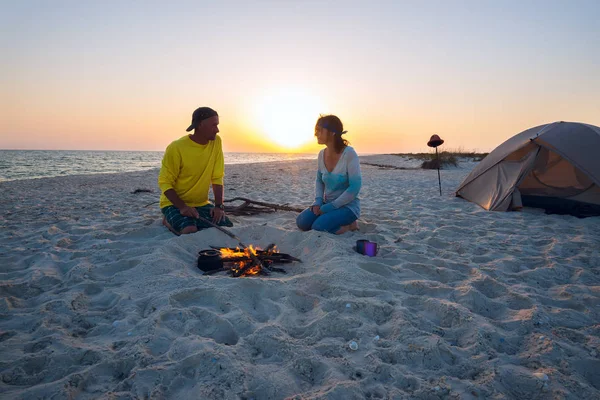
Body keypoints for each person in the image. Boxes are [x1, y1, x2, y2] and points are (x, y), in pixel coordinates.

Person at [158, 106, 233, 235]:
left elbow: (217, 177)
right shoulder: (176, 147)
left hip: (201, 203)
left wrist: (218, 206)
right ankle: (167, 220)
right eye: (213, 125)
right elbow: (164, 182)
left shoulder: (216, 142)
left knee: (226, 226)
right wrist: (182, 207)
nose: (217, 130)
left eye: (217, 125)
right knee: (189, 230)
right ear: (199, 125)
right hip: (174, 204)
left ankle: (192, 220)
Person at [296, 115, 361, 234]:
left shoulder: (349, 154)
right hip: (326, 204)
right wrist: (318, 201)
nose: (316, 134)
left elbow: (355, 187)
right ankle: (331, 218)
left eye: (319, 130)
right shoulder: (321, 154)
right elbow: (319, 180)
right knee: (302, 222)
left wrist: (331, 207)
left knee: (318, 227)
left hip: (347, 206)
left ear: (332, 132)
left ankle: (350, 225)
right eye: (316, 130)